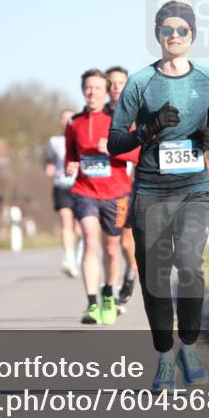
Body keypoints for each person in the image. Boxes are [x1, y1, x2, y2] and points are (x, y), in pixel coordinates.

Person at [109, 0, 209, 393]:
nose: (175, 36)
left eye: (182, 30)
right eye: (167, 30)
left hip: (194, 190)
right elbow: (114, 142)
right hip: (151, 193)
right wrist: (149, 129)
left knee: (189, 262)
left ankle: (189, 346)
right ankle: (164, 357)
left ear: (192, 35)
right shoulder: (140, 83)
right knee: (155, 279)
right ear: (157, 34)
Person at [65, 69, 139, 325]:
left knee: (110, 249)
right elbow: (71, 156)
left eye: (97, 88)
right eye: (88, 87)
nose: (92, 92)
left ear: (106, 92)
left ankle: (109, 292)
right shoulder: (73, 123)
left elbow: (138, 154)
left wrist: (113, 149)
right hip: (85, 192)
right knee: (89, 241)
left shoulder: (119, 119)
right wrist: (71, 165)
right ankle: (91, 303)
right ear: (82, 90)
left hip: (116, 193)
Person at [105, 65, 139, 311]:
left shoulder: (135, 116)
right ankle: (111, 290)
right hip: (102, 189)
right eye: (112, 83)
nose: (116, 87)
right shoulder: (99, 116)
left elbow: (142, 150)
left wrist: (116, 150)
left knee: (126, 242)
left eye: (120, 83)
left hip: (130, 185)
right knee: (109, 242)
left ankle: (130, 274)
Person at [44, 108, 81, 277]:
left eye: (70, 118)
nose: (66, 121)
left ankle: (78, 251)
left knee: (79, 229)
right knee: (66, 222)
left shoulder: (82, 137)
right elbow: (49, 158)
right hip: (62, 185)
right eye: (63, 118)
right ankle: (69, 259)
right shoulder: (54, 141)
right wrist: (49, 167)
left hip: (81, 185)